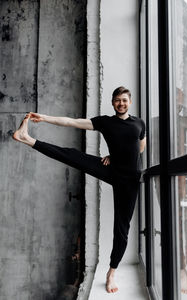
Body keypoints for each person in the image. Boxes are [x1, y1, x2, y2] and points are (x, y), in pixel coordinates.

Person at [13, 86, 146, 293]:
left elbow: (140, 146)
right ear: (112, 103)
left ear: (130, 102)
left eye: (124, 100)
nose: (121, 103)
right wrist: (45, 118)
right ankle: (27, 139)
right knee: (72, 155)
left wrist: (118, 155)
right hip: (111, 171)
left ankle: (111, 272)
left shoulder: (139, 123)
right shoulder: (105, 122)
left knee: (122, 229)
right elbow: (71, 122)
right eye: (117, 100)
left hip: (130, 181)